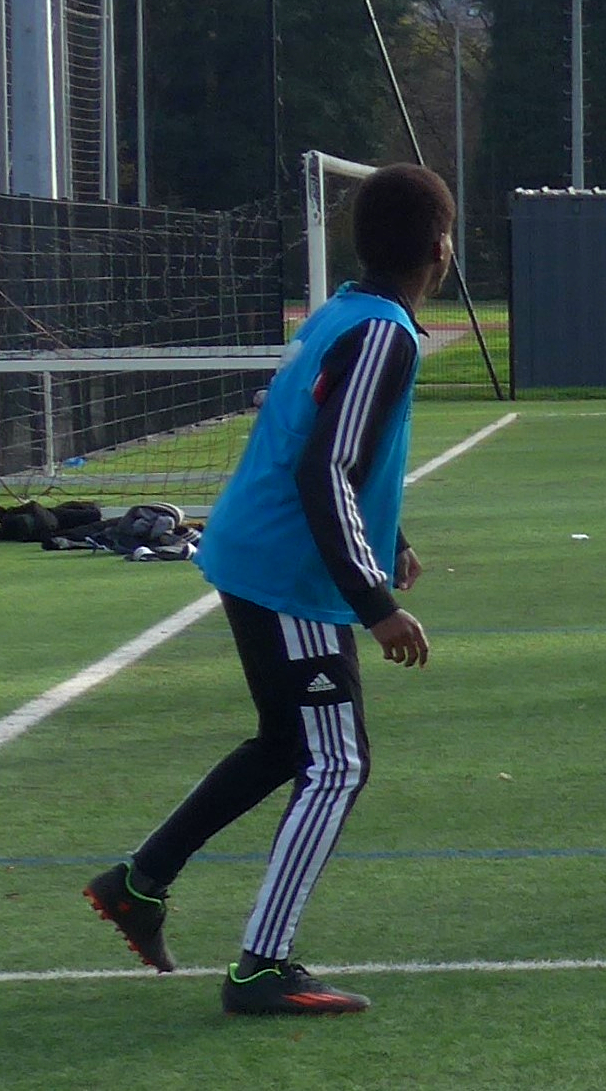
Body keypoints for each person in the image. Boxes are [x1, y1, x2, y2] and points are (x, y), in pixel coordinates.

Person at [82, 164, 457, 1016]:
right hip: (291, 574)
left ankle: (140, 884)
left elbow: (320, 437)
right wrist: (376, 601)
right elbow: (324, 465)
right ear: (441, 248)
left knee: (288, 745)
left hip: (256, 555)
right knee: (338, 761)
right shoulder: (385, 334)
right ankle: (262, 966)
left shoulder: (346, 315)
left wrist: (386, 535)